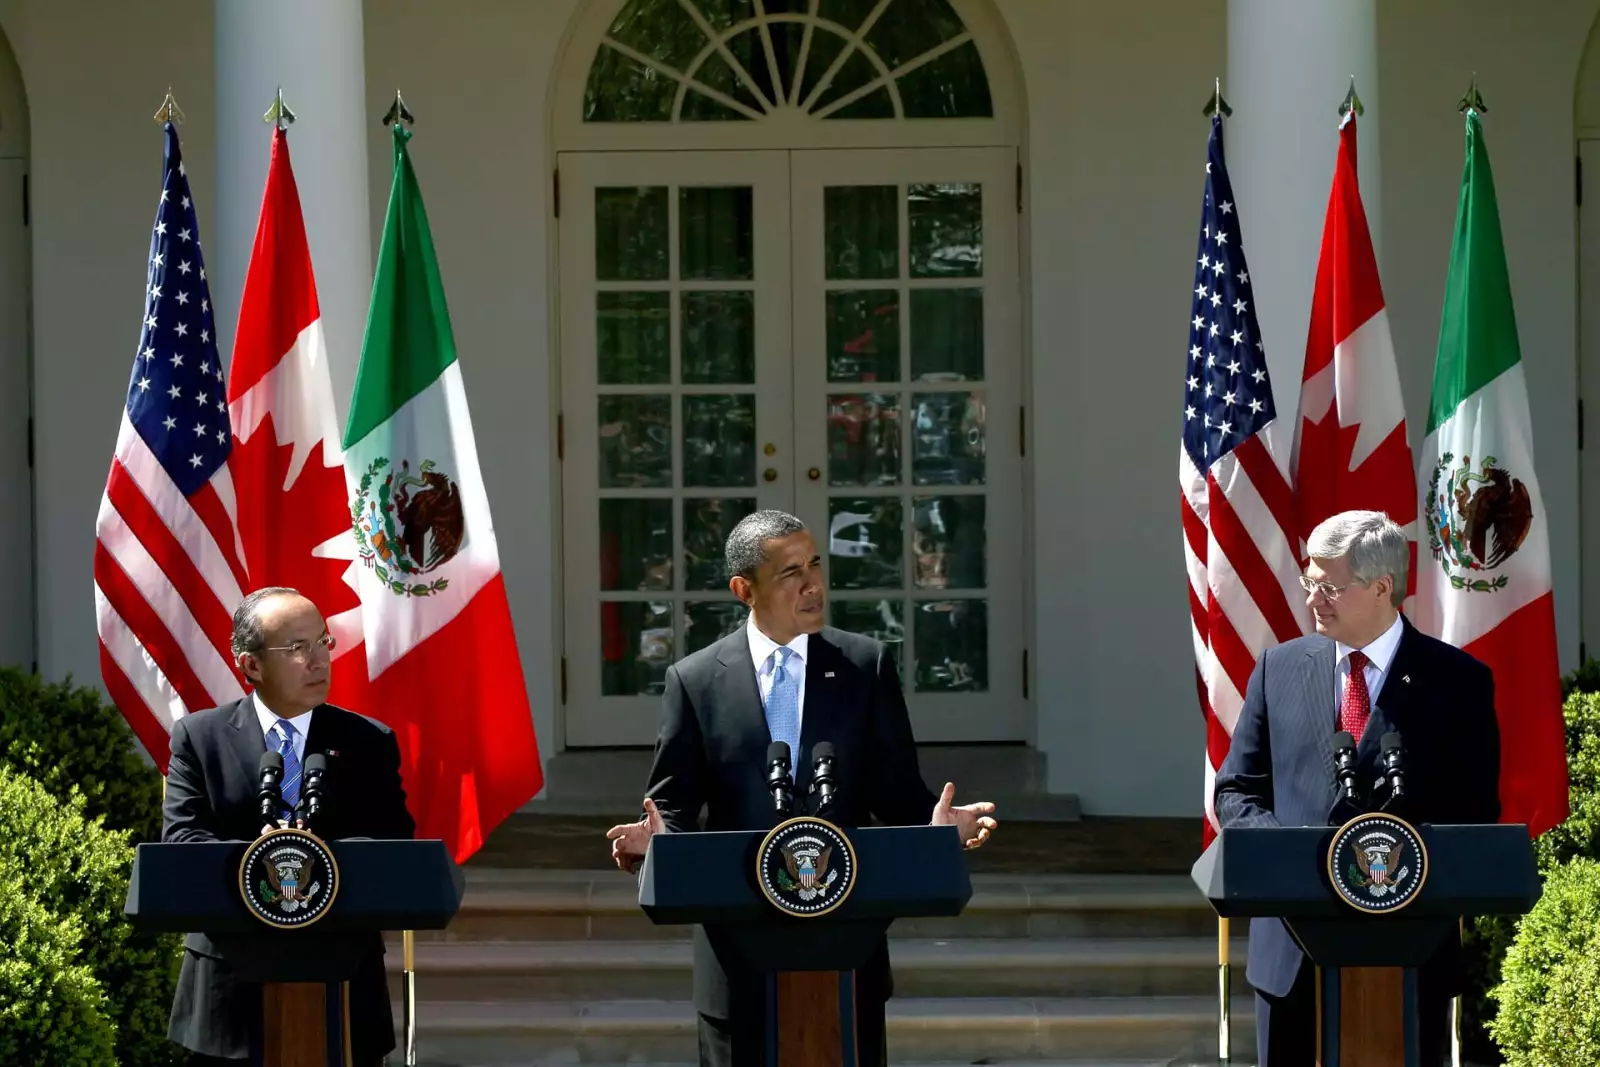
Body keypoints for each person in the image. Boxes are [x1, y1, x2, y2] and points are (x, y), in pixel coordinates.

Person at [607, 510, 997, 1067]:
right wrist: (658, 838)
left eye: (815, 563)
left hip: (845, 944)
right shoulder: (695, 681)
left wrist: (938, 832)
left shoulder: (865, 665)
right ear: (745, 589)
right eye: (791, 572)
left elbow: (897, 793)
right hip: (737, 955)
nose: (813, 583)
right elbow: (670, 802)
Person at [1213, 510, 1501, 1066]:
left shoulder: (1458, 682)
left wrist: (1394, 867)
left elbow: (1474, 810)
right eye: (1309, 582)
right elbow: (1236, 790)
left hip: (1408, 948)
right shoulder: (1278, 668)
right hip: (1291, 950)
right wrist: (1285, 856)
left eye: (1330, 586)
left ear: (1381, 587)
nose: (1313, 598)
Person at [163, 587, 414, 1066]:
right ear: (250, 665)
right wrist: (262, 858)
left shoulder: (368, 741)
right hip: (229, 991)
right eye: (298, 648)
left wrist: (318, 856)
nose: (319, 660)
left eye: (323, 642)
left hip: (343, 984)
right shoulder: (200, 738)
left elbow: (393, 843)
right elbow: (183, 842)